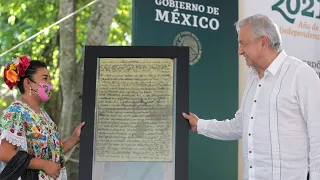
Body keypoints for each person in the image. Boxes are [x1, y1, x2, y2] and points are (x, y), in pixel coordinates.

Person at [182, 14, 320, 180]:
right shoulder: (253, 78)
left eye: (243, 44)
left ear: (263, 42)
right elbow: (240, 126)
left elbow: (317, 135)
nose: (239, 51)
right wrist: (200, 125)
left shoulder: (301, 74)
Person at [0, 53, 85, 180]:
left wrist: (74, 138)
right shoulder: (16, 111)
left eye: (49, 79)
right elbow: (4, 152)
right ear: (28, 83)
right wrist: (44, 165)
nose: (50, 84)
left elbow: (52, 154)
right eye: (45, 78)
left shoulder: (43, 115)